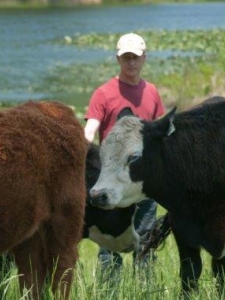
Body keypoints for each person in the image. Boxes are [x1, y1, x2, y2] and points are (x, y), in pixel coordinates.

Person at [83, 32, 165, 278]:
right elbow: (90, 131)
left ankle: (147, 289)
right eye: (126, 57)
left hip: (143, 181)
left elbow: (159, 133)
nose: (131, 63)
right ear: (118, 59)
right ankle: (110, 290)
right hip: (113, 181)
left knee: (147, 237)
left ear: (144, 58)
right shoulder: (103, 93)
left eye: (135, 57)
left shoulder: (151, 92)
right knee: (110, 245)